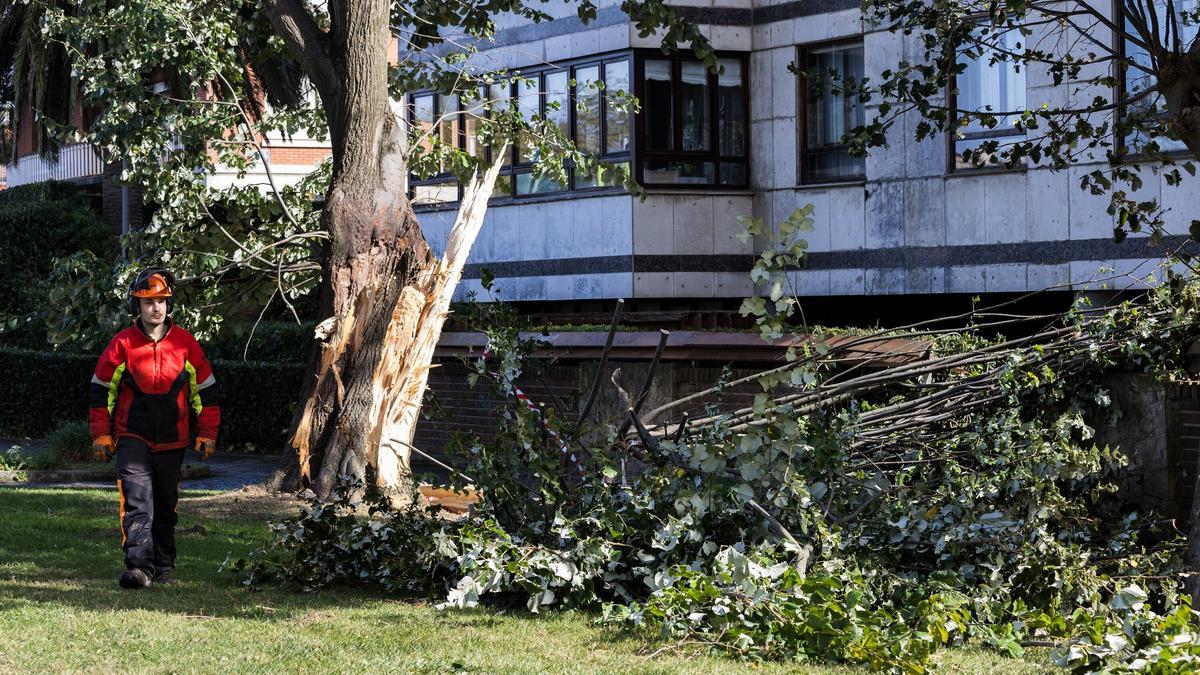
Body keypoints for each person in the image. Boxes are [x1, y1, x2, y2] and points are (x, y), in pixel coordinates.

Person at [89, 268, 220, 589]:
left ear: (169, 303)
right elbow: (101, 391)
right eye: (148, 302)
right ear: (137, 306)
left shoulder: (186, 344)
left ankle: (162, 566)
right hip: (132, 437)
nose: (155, 308)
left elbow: (206, 393)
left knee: (164, 505)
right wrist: (102, 434)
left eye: (161, 301)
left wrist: (207, 433)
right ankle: (138, 568)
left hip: (173, 441)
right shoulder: (121, 344)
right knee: (137, 503)